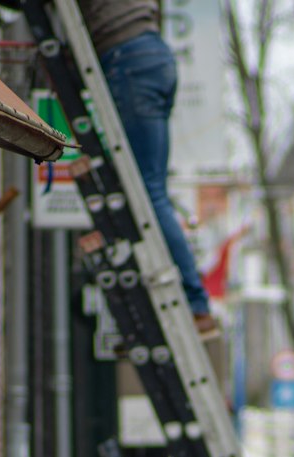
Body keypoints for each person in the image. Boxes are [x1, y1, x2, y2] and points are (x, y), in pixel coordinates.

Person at [77, 0, 217, 337]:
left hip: (127, 58)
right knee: (147, 189)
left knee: (146, 193)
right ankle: (180, 304)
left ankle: (195, 304)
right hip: (153, 54)